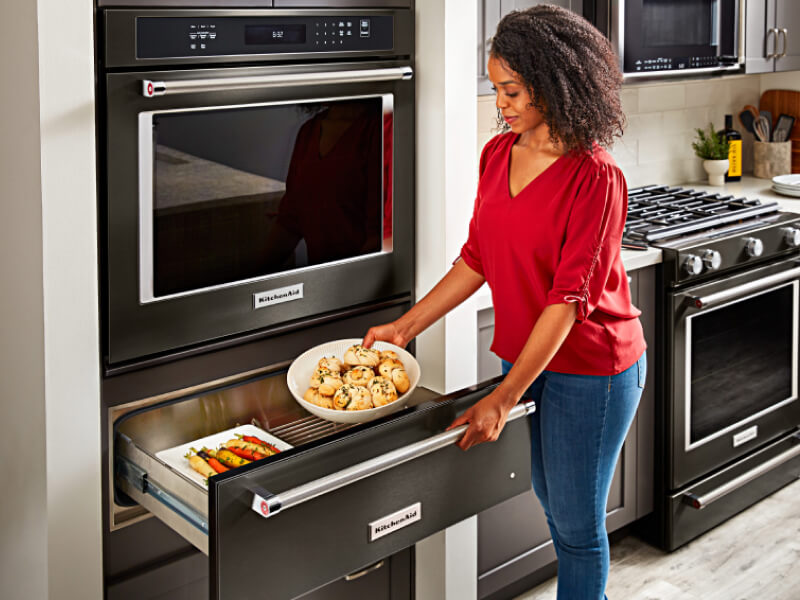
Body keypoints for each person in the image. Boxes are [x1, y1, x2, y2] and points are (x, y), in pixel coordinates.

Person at [363, 6, 646, 599]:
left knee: (575, 525)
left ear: (554, 81)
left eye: (512, 90)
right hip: (524, 360)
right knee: (552, 500)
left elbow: (569, 303)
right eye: (497, 89)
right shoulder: (499, 154)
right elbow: (478, 257)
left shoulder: (596, 177)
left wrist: (502, 397)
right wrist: (404, 327)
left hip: (592, 367)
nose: (503, 103)